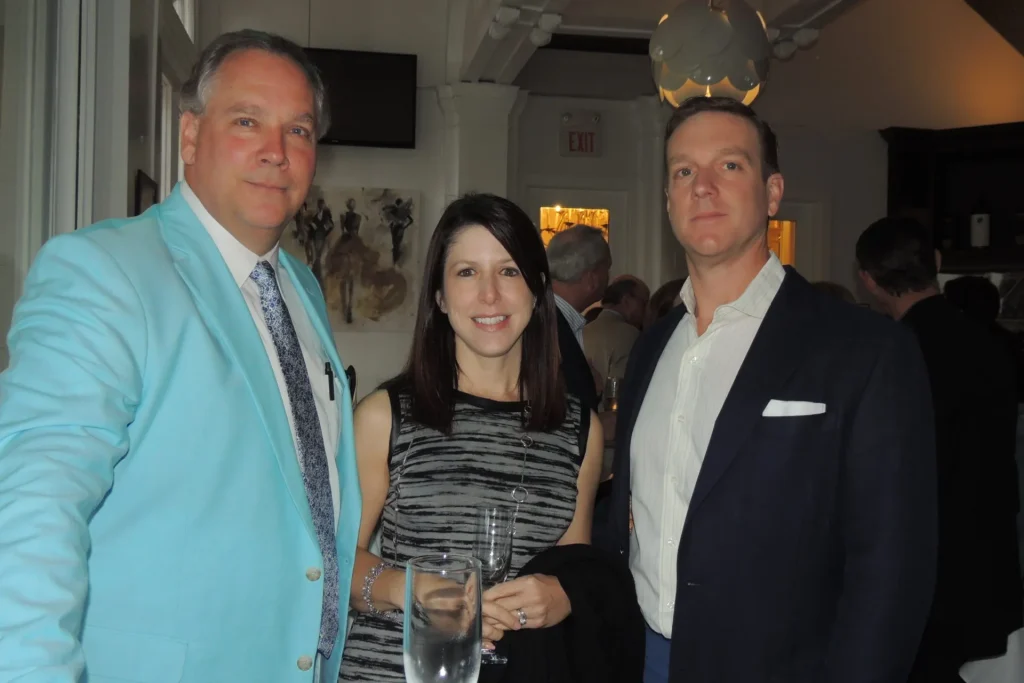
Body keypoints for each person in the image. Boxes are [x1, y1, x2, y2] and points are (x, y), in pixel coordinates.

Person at [0, 30, 361, 683]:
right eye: (247, 121)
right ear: (190, 136)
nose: (276, 152)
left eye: (299, 130)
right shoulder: (105, 271)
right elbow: (32, 507)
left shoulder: (301, 289)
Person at [605, 96, 937, 683]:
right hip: (643, 658)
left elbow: (892, 568)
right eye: (684, 171)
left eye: (729, 165)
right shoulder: (652, 348)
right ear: (668, 201)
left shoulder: (865, 350)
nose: (702, 186)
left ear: (773, 192)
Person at [339, 193, 604, 682]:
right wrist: (411, 589)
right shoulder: (385, 416)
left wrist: (560, 596)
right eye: (466, 273)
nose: (490, 295)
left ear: (537, 289)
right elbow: (335, 566)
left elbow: (574, 570)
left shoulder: (578, 430)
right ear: (440, 297)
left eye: (509, 271)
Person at [857, 217, 1023, 683]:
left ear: (868, 281)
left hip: (923, 565)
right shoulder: (991, 342)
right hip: (987, 551)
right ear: (936, 260)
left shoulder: (889, 353)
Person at [546, 224, 612, 411]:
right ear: (592, 279)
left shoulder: (551, 316)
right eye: (607, 268)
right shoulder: (547, 324)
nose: (609, 277)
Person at [584, 277, 649, 381]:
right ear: (626, 300)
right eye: (644, 302)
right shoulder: (630, 334)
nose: (646, 309)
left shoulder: (583, 331)